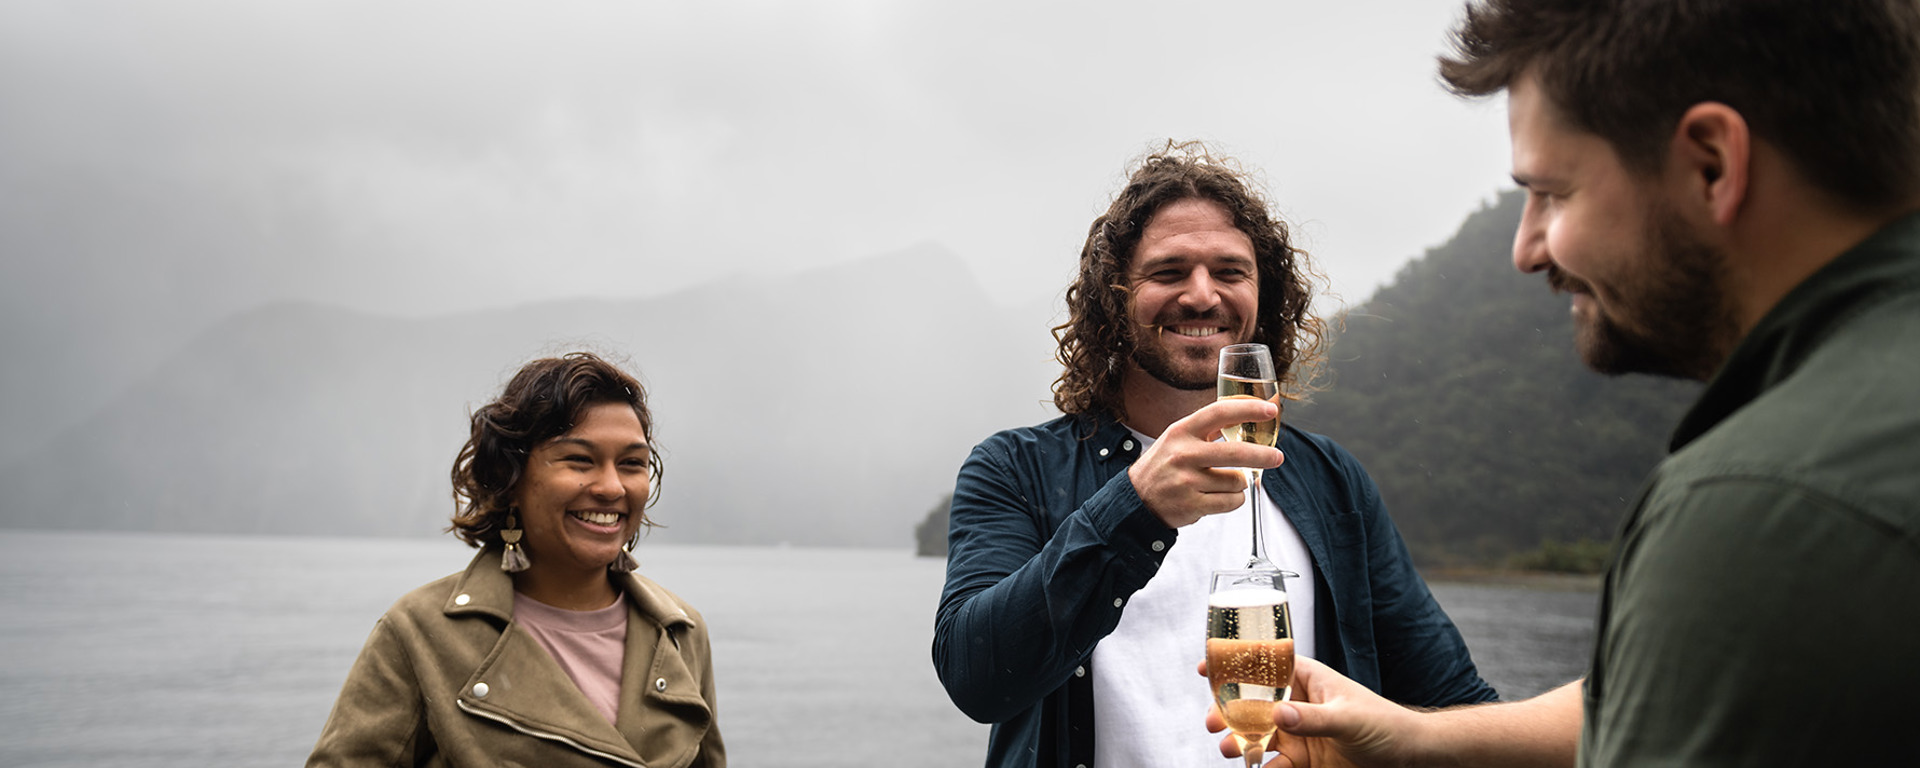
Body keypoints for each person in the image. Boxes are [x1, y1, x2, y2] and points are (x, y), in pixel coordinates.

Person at [1215, 1, 1920, 766]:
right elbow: (1660, 696)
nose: (1525, 248)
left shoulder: (1761, 507)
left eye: (1552, 192)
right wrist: (1420, 740)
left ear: (1712, 163)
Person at [934, 141, 1497, 768]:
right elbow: (977, 676)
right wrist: (1135, 507)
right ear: (1113, 298)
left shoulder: (1329, 479)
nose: (1202, 296)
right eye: (1169, 272)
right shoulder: (1014, 469)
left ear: (1264, 294)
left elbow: (1450, 699)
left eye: (1230, 272)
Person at [308, 352, 725, 767]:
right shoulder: (419, 633)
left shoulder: (681, 632)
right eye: (579, 460)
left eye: (632, 463)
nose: (612, 487)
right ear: (510, 479)